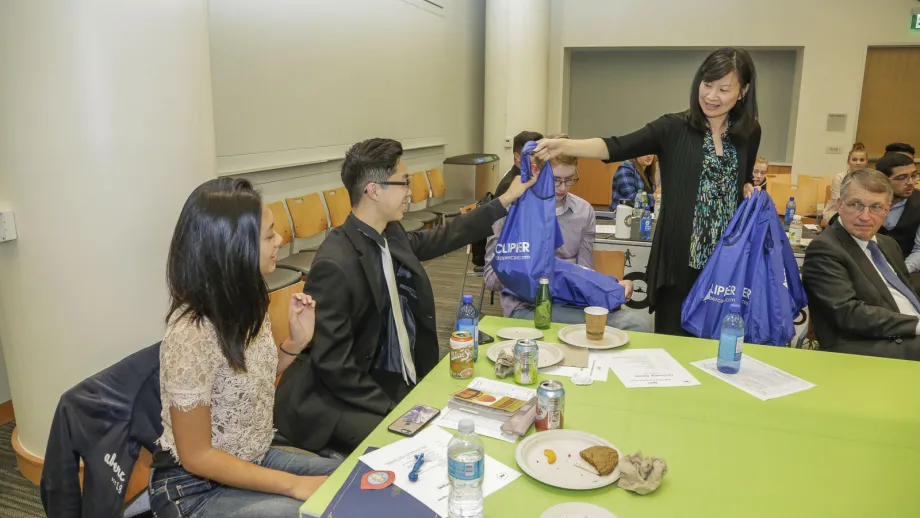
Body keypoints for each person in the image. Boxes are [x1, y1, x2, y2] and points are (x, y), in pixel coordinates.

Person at [274, 138, 534, 454]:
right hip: (338, 397)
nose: (409, 192)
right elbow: (334, 366)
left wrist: (504, 199)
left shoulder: (389, 231)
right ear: (373, 190)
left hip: (387, 372)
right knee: (419, 447)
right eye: (404, 183)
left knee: (458, 415)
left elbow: (446, 235)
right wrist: (394, 408)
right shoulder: (335, 263)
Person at [534, 47, 761, 336]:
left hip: (728, 265)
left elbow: (743, 179)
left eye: (724, 89)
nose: (711, 96)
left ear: (742, 92)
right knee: (674, 347)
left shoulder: (750, 133)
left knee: (721, 347)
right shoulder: (673, 128)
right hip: (678, 265)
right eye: (707, 84)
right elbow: (615, 145)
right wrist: (563, 145)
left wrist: (747, 187)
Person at [148, 178, 341, 517]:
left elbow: (250, 383)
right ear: (231, 247)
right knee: (307, 510)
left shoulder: (246, 301)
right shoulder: (190, 334)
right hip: (193, 489)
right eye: (268, 236)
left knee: (349, 482)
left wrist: (294, 344)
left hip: (251, 458)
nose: (279, 240)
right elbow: (196, 456)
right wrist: (292, 485)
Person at [484, 135, 650, 332]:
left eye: (570, 179)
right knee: (630, 323)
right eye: (555, 180)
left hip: (571, 300)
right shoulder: (511, 211)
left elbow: (584, 270)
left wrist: (611, 285)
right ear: (538, 173)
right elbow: (490, 277)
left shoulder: (583, 211)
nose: (563, 188)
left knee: (636, 322)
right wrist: (528, 267)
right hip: (527, 306)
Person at [802, 169, 920, 361]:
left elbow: (905, 295)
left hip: (904, 331)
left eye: (875, 207)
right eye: (856, 205)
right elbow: (848, 314)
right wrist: (915, 325)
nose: (865, 217)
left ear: (887, 209)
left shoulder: (887, 244)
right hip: (866, 345)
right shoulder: (825, 248)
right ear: (840, 205)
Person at [875, 152, 920, 259]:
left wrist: (900, 272)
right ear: (882, 179)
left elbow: (919, 249)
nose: (910, 182)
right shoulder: (866, 200)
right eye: (902, 177)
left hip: (906, 265)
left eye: (914, 176)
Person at [823, 142, 868, 225]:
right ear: (848, 161)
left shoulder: (870, 179)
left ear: (866, 162)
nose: (858, 163)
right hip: (837, 211)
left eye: (862, 160)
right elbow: (839, 202)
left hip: (861, 212)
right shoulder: (839, 178)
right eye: (854, 159)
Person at [496, 130, 544, 198]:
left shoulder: (532, 175)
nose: (540, 158)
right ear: (517, 157)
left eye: (541, 152)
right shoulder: (509, 187)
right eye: (533, 154)